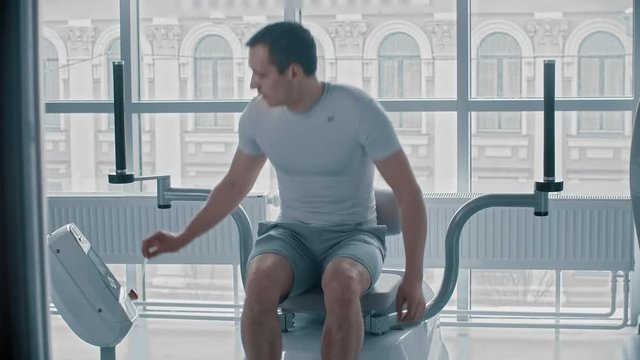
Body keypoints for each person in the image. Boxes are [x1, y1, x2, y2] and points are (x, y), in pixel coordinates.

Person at [141, 21, 427, 360]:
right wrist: (180, 238)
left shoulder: (358, 110)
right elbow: (234, 185)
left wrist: (413, 277)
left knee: (341, 284)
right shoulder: (257, 117)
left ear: (293, 72)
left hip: (355, 236)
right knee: (259, 281)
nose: (252, 83)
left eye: (261, 74)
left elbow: (408, 194)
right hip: (291, 235)